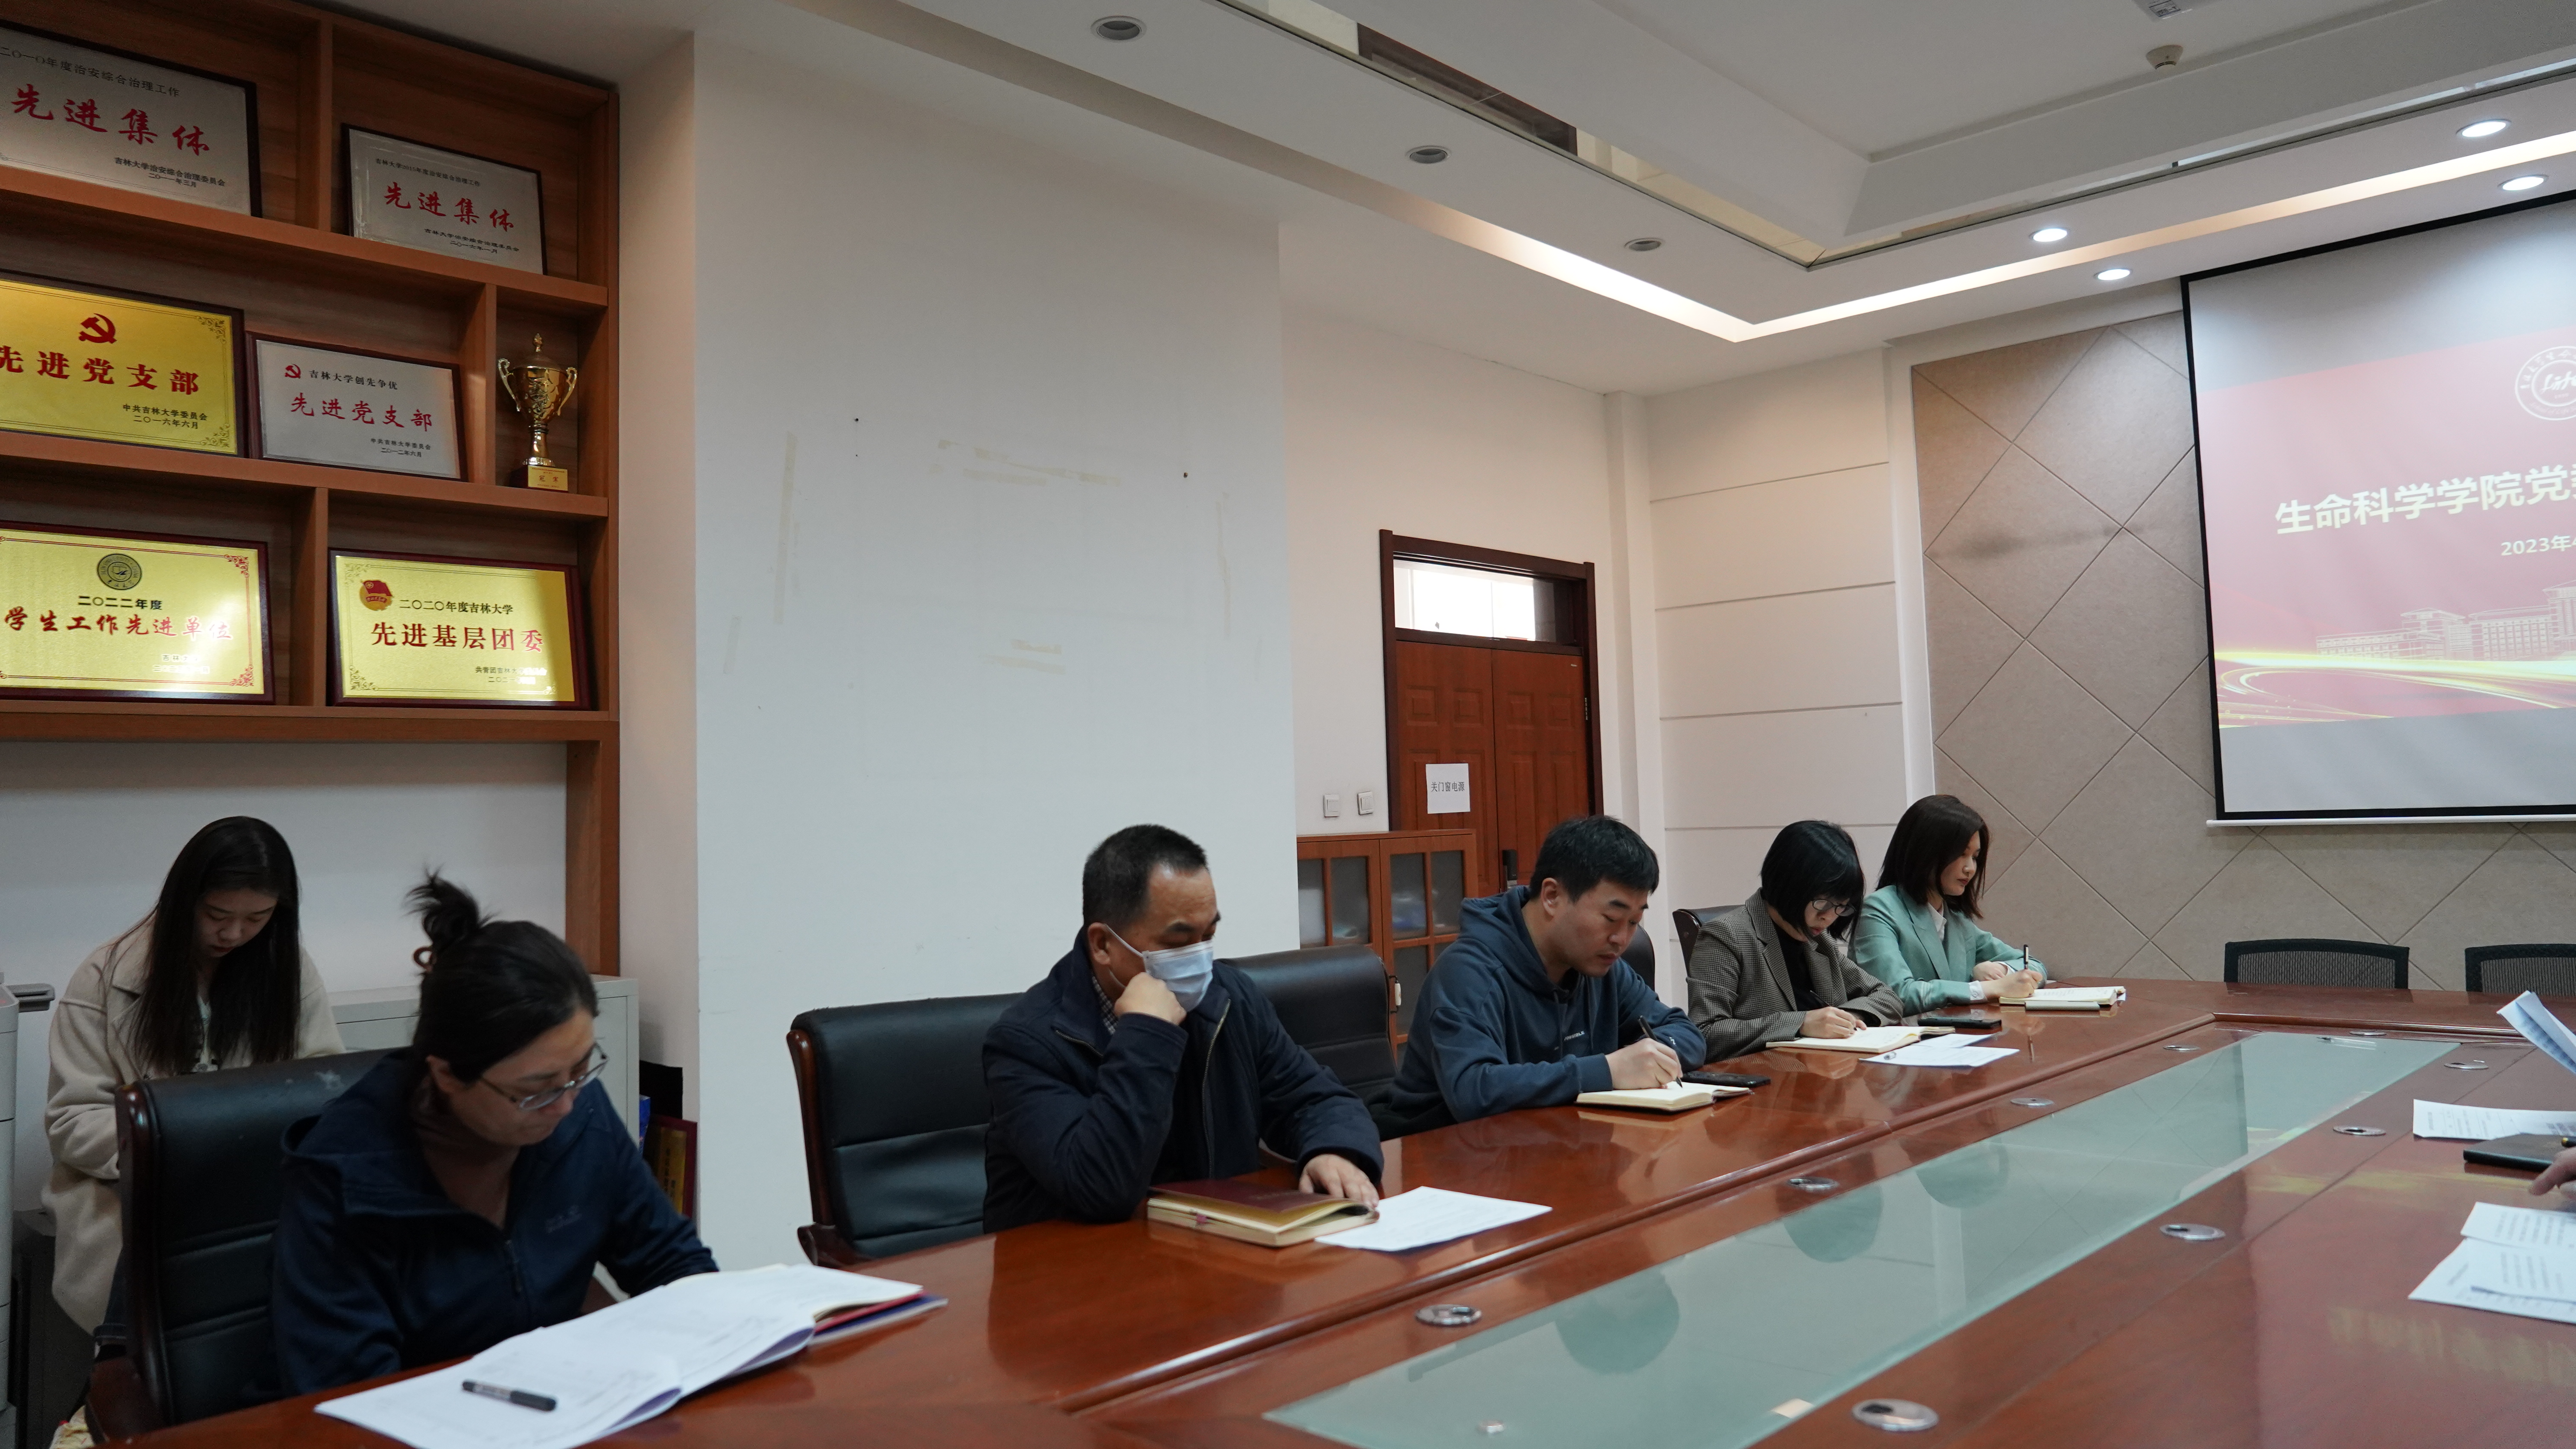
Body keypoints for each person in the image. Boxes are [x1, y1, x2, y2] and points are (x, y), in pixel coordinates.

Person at [271, 876, 714, 1393]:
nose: (566, 1104)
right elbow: (351, 1393)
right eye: (535, 1090)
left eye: (580, 1068)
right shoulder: (343, 1181)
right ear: (446, 1075)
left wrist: (723, 1333)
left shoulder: (581, 1112)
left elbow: (670, 1260)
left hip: (555, 1395)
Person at [982, 825, 1382, 1231]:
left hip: (1214, 1243)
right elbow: (1101, 1188)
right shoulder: (1026, 1043)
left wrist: (1332, 1150)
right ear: (1103, 945)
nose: (1199, 961)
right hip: (1080, 1262)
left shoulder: (1230, 998)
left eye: (1208, 936)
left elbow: (1315, 1098)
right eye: (1177, 944)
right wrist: (1146, 1033)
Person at [45, 817, 345, 1335]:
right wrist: (170, 1150)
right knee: (151, 1303)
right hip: (134, 1190)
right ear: (184, 899)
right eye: (216, 915)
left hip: (256, 1187)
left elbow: (323, 1088)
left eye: (257, 918)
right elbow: (73, 1119)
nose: (234, 934)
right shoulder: (105, 976)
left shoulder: (288, 971)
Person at [1382, 815, 1704, 1134]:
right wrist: (1607, 1070)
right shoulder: (1469, 971)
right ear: (1552, 896)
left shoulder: (1602, 967)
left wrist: (1650, 1058)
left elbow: (1686, 1034)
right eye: (1611, 918)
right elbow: (1475, 1090)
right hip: (1444, 1150)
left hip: (1559, 1140)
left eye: (1634, 922)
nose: (1622, 939)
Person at [1683, 820, 1902, 1061]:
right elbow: (1706, 1033)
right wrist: (1801, 1024)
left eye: (1841, 906)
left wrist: (1845, 1018)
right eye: (1822, 903)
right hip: (1761, 1077)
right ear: (1789, 886)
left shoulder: (1818, 941)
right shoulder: (1726, 936)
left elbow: (1887, 997)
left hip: (1823, 1071)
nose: (1830, 917)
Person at [1852, 795, 2046, 1015]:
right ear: (1925, 852)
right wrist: (1985, 989)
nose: (1970, 869)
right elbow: (1895, 995)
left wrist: (1999, 970)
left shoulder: (1956, 918)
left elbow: (2034, 965)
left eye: (1975, 857)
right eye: (1962, 854)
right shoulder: (1878, 910)